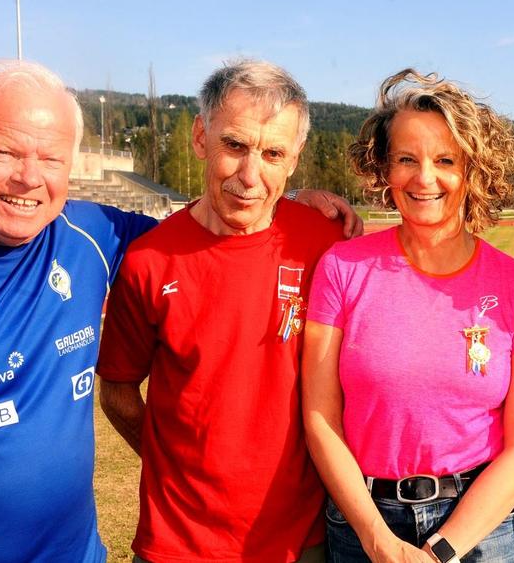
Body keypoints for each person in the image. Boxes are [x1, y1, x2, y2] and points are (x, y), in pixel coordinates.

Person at [0, 59, 360, 563]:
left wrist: (294, 201)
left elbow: (208, 240)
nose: (28, 177)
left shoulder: (91, 236)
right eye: (3, 151)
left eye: (50, 158)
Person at [97, 60, 345, 563]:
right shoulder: (149, 260)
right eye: (235, 145)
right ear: (199, 138)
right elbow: (118, 392)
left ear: (294, 160)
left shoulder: (326, 242)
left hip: (301, 541)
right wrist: (169, 465)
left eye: (273, 153)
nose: (251, 175)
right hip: (179, 544)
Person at [303, 69, 514, 563]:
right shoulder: (341, 268)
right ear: (383, 167)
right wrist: (377, 539)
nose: (424, 178)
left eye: (445, 160)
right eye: (406, 159)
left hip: (483, 527)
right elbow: (319, 418)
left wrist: (441, 550)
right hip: (362, 524)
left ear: (473, 169)